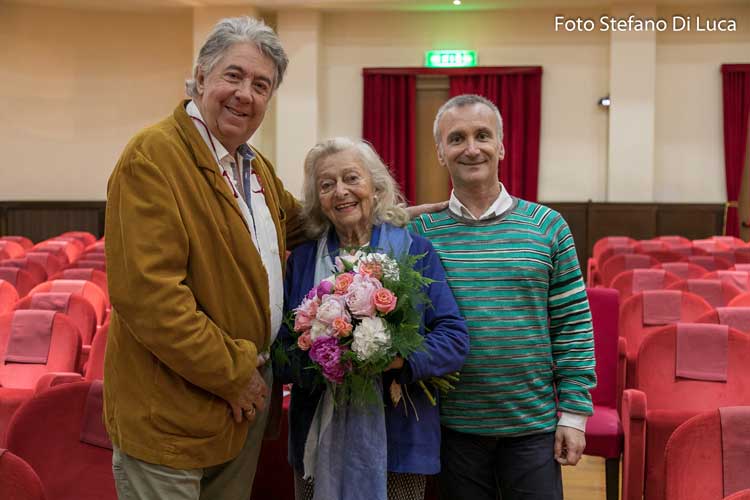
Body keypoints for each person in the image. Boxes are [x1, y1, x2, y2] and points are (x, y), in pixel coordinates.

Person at [103, 17, 304, 499]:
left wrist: (392, 213)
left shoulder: (252, 164)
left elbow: (307, 223)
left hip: (238, 411)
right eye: (233, 76)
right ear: (200, 77)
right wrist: (233, 373)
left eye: (261, 85)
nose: (245, 94)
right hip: (172, 414)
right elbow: (150, 297)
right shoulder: (153, 156)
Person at [410, 94, 596, 500]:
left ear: (502, 146)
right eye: (456, 138)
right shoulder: (420, 231)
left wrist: (575, 415)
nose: (471, 148)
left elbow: (573, 325)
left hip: (533, 425)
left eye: (483, 136)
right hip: (450, 428)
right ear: (440, 152)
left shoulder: (548, 226)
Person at [276, 137, 470, 500]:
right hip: (317, 440)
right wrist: (326, 359)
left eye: (352, 178)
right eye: (327, 184)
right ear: (318, 199)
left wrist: (396, 359)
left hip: (399, 440)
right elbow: (283, 351)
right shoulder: (302, 260)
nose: (341, 192)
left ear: (376, 186)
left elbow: (454, 338)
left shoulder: (415, 251)